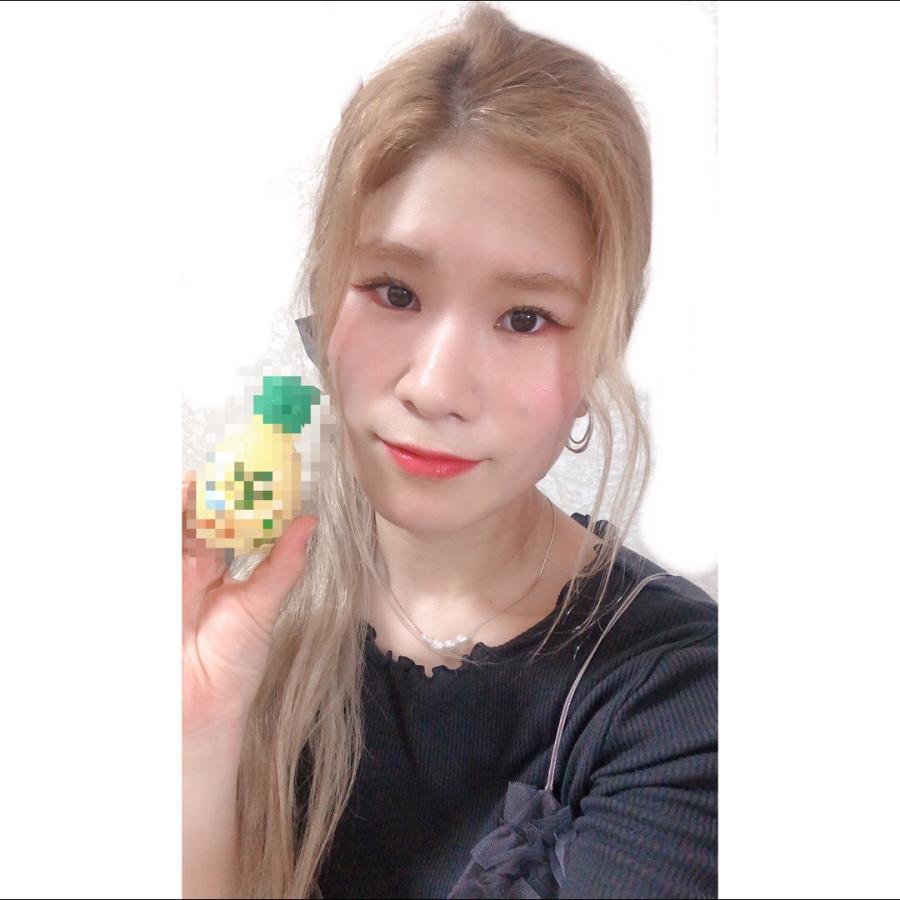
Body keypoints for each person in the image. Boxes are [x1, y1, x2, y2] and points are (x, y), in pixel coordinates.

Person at [182, 3, 717, 898]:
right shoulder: (222, 608)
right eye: (394, 292)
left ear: (601, 351)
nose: (434, 388)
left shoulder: (681, 698)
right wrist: (196, 739)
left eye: (524, 318)